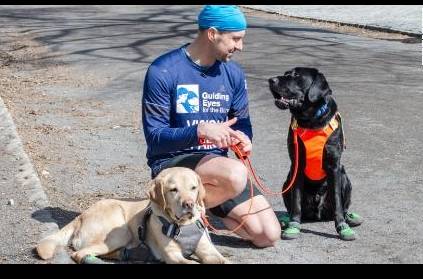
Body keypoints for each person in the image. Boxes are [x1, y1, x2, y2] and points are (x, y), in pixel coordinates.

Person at [141, 5, 281, 247]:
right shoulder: (163, 70)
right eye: (235, 39)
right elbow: (155, 138)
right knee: (237, 174)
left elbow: (242, 121)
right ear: (212, 33)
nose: (240, 46)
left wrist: (244, 138)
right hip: (172, 163)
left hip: (217, 173)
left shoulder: (233, 73)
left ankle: (201, 211)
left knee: (267, 235)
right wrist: (200, 131)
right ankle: (169, 215)